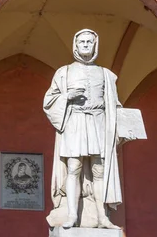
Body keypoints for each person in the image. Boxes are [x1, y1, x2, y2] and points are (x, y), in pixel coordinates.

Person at [43, 29, 121, 229]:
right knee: (73, 167)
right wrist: (67, 97)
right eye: (82, 42)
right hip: (75, 121)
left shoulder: (106, 74)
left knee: (99, 170)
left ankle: (102, 217)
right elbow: (49, 101)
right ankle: (71, 215)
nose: (85, 45)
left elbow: (115, 104)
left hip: (98, 122)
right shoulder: (64, 72)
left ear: (95, 45)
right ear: (75, 46)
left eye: (89, 42)